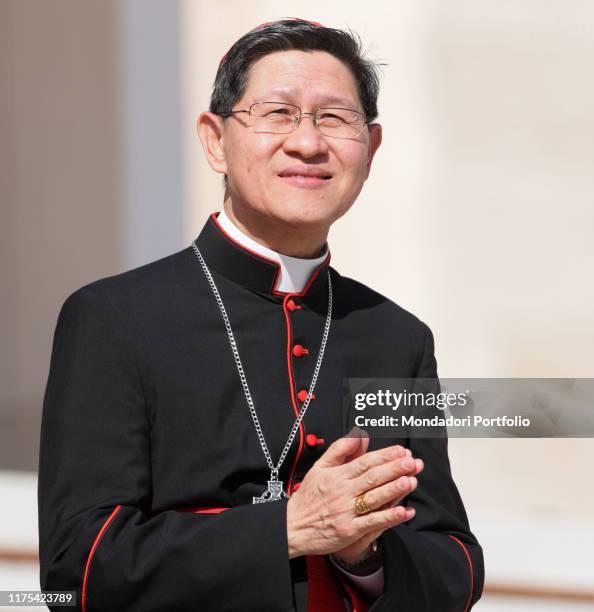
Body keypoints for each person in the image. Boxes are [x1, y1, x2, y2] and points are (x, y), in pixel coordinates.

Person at [38, 18, 484, 611]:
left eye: (334, 118)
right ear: (215, 140)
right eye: (277, 112)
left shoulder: (397, 336)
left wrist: (363, 555)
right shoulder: (114, 319)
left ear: (371, 149)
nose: (308, 143)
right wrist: (288, 529)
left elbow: (452, 561)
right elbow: (75, 573)